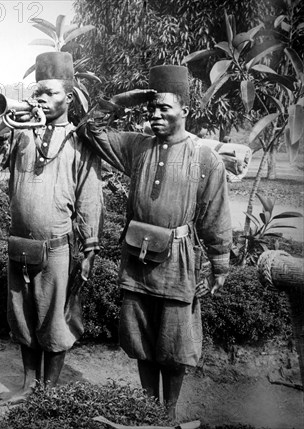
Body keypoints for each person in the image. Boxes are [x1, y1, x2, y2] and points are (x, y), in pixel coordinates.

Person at [77, 65, 232, 421]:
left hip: (177, 262)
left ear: (185, 111)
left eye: (165, 107)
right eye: (152, 107)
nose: (155, 114)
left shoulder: (204, 157)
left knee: (174, 346)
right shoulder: (137, 146)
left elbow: (215, 213)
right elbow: (90, 129)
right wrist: (120, 101)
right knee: (141, 340)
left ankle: (169, 412)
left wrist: (220, 263)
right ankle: (148, 410)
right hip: (136, 256)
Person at [0, 51, 102, 406]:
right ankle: (28, 384)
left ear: (69, 98)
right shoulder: (20, 134)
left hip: (59, 247)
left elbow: (90, 198)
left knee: (55, 320)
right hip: (19, 245)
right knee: (23, 318)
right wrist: (3, 128)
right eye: (37, 91)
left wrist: (90, 248)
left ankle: (49, 390)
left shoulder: (80, 141)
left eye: (50, 92)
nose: (40, 98)